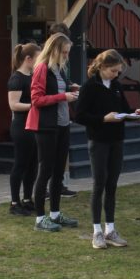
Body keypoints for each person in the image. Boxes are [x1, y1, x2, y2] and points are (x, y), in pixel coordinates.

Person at [75, 49, 140, 249]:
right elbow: (79, 115)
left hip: (117, 139)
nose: (116, 75)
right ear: (102, 67)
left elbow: (123, 109)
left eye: (118, 71)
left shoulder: (116, 85)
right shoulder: (90, 86)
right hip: (98, 140)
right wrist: (102, 119)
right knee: (99, 184)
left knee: (112, 185)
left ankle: (110, 229)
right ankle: (97, 231)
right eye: (113, 71)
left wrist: (135, 113)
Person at [26, 32, 81, 231]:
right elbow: (36, 100)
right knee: (46, 171)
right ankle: (40, 218)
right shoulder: (42, 68)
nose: (66, 56)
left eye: (68, 52)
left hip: (63, 125)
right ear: (55, 50)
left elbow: (59, 91)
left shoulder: (59, 69)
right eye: (64, 52)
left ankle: (55, 214)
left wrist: (71, 90)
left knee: (59, 172)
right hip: (46, 126)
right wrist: (63, 96)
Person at [47, 22, 81, 198]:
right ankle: (44, 189)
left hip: (63, 115)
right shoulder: (44, 65)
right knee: (47, 157)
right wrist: (63, 95)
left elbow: (63, 82)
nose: (66, 54)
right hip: (49, 118)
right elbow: (40, 96)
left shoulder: (62, 63)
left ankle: (58, 186)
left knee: (61, 156)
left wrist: (72, 86)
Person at [7, 42, 40, 216]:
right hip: (21, 126)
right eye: (37, 58)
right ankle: (14, 203)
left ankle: (27, 199)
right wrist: (34, 105)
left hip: (34, 125)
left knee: (33, 164)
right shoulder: (17, 78)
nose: (39, 61)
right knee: (20, 163)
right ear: (28, 59)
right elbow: (13, 105)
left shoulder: (33, 76)